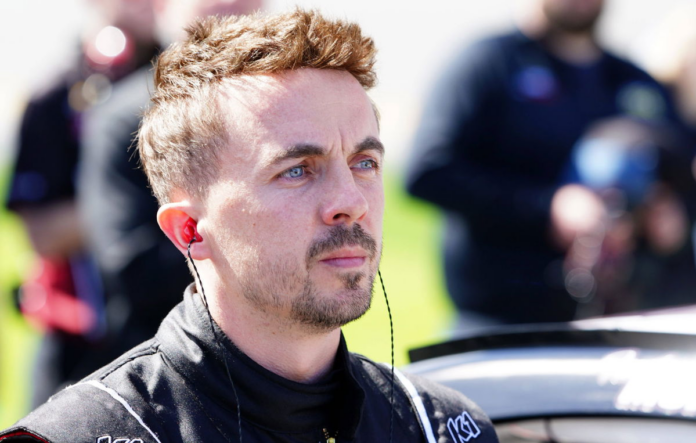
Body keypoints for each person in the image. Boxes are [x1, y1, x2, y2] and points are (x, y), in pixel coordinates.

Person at [0, 10, 499, 443]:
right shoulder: (83, 434)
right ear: (188, 229)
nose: (350, 203)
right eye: (297, 170)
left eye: (364, 163)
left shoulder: (442, 427)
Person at [406, 0, 695, 331]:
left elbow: (684, 178)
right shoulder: (488, 64)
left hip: (619, 327)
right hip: (500, 327)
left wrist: (671, 216)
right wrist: (548, 207)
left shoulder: (634, 82)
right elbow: (429, 171)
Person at [76, 0, 264, 379]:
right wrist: (256, 244)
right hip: (166, 365)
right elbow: (131, 266)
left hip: (273, 361)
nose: (231, 4)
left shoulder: (285, 109)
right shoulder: (127, 117)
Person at [5, 0, 158, 407]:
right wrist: (133, 203)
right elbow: (42, 234)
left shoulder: (184, 79)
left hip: (168, 334)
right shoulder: (55, 94)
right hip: (82, 341)